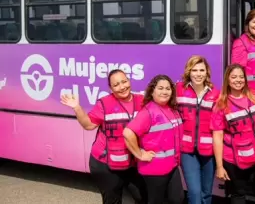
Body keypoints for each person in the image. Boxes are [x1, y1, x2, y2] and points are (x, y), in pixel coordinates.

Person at [60, 69, 147, 204]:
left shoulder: (142, 100)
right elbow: (88, 125)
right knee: (112, 200)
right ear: (111, 88)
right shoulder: (104, 103)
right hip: (105, 164)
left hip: (132, 162)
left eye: (124, 81)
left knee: (143, 197)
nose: (122, 87)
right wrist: (76, 107)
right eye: (116, 85)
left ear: (129, 81)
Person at [123, 75, 184, 204]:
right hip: (155, 168)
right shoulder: (148, 112)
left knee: (177, 199)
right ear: (152, 91)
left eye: (168, 88)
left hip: (172, 165)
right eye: (160, 88)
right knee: (156, 201)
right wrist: (140, 154)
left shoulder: (172, 109)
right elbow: (128, 133)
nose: (165, 91)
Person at [210, 64, 255, 204]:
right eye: (234, 77)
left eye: (241, 77)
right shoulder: (221, 104)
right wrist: (220, 166)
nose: (238, 80)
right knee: (237, 195)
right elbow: (217, 137)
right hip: (233, 160)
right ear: (227, 79)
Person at [176, 55, 220, 204]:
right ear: (189, 71)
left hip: (209, 151)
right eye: (194, 70)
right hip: (187, 151)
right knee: (194, 193)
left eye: (201, 70)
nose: (198, 74)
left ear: (207, 72)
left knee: (206, 193)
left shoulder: (216, 94)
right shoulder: (179, 90)